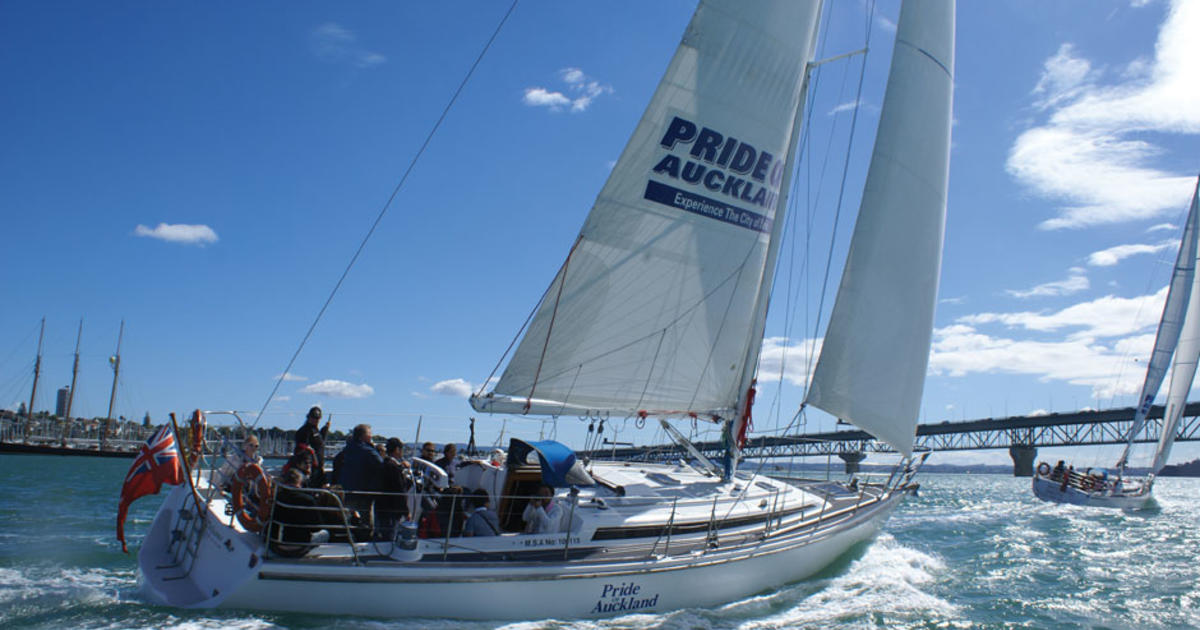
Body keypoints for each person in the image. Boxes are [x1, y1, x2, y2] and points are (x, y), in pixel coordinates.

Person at [340, 424, 386, 525]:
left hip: (347, 491)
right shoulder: (367, 450)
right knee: (365, 522)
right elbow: (381, 465)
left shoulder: (348, 449)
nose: (371, 436)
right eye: (369, 434)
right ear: (362, 436)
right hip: (362, 493)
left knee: (349, 520)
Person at [377, 437, 412, 541]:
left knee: (384, 534)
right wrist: (406, 512)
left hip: (382, 506)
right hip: (392, 509)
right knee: (390, 536)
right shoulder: (394, 468)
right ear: (397, 449)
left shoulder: (384, 464)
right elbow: (400, 490)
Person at [295, 406, 331, 487]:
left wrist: (325, 429)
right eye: (313, 417)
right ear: (308, 417)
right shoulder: (304, 431)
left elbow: (319, 442)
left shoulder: (316, 430)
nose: (315, 420)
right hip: (310, 467)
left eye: (318, 418)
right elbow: (303, 447)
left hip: (318, 466)